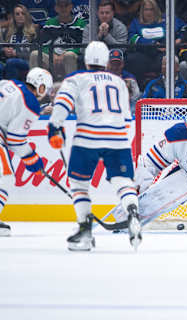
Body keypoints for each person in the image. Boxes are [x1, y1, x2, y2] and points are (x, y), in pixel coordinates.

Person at [47, 41, 142, 251]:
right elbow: (127, 117)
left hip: (87, 137)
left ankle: (85, 231)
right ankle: (133, 212)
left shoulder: (76, 79)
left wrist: (55, 126)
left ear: (86, 59)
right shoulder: (119, 82)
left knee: (79, 185)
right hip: (118, 138)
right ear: (106, 61)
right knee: (122, 181)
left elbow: (62, 103)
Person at [0, 67, 53, 236]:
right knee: (5, 177)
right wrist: (33, 160)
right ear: (41, 86)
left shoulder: (10, 83)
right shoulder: (30, 103)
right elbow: (16, 140)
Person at [29, 0, 86, 80]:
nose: (63, 8)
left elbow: (82, 47)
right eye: (60, 6)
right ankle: (35, 86)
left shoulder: (81, 24)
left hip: (71, 56)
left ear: (71, 7)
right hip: (52, 56)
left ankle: (71, 86)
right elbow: (43, 45)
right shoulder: (50, 23)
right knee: (35, 54)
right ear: (56, 8)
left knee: (68, 55)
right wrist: (52, 55)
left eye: (66, 5)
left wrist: (65, 55)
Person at [107, 49, 140, 115]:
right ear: (107, 64)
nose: (115, 67)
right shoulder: (102, 77)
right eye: (112, 64)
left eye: (118, 64)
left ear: (122, 64)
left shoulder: (130, 78)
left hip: (127, 106)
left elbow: (136, 96)